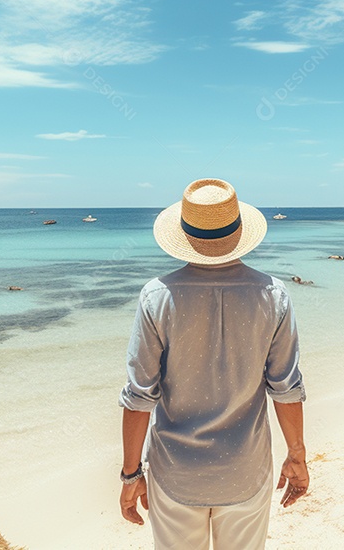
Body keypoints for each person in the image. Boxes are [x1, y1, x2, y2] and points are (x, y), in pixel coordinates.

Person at [118, 178, 308, 549]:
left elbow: (139, 396)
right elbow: (285, 388)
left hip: (176, 472)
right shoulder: (273, 295)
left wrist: (130, 475)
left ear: (184, 234)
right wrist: (297, 456)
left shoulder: (157, 296)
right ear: (238, 231)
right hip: (245, 469)